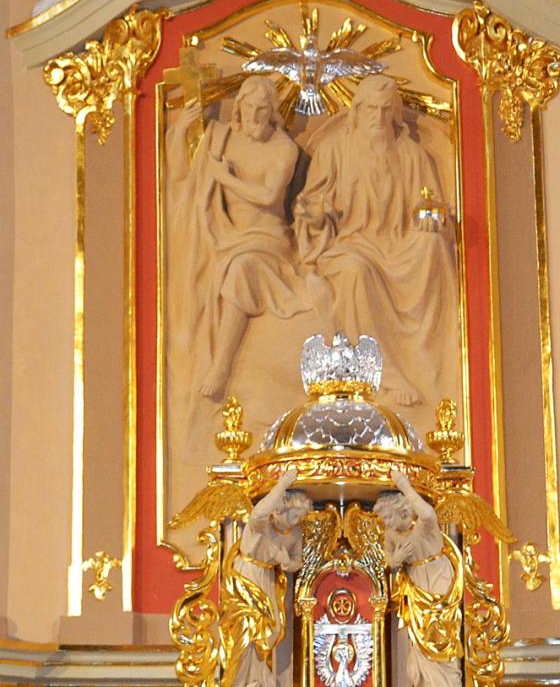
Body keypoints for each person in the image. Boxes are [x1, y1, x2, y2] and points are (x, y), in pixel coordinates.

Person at [294, 74, 456, 407]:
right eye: (371, 109)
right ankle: (384, 375)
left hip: (398, 245)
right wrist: (317, 213)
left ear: (394, 113)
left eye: (385, 110)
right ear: (357, 110)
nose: (378, 118)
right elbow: (310, 205)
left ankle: (431, 359)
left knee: (431, 245)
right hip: (349, 245)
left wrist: (430, 220)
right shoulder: (332, 150)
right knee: (355, 271)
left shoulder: (412, 156)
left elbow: (431, 205)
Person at [166, 75, 307, 404]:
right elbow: (181, 177)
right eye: (249, 108)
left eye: (263, 109)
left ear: (273, 111)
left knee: (242, 267)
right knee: (197, 271)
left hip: (268, 240)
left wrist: (226, 179)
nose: (255, 116)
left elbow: (269, 196)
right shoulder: (220, 137)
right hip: (221, 233)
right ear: (239, 107)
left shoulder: (283, 149)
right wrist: (180, 131)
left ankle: (220, 368)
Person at [221, 468, 311, 687]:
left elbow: (297, 562)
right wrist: (281, 486)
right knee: (249, 627)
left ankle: (260, 677)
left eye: (300, 517)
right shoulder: (262, 525)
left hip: (268, 577)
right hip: (248, 574)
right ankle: (244, 681)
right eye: (294, 515)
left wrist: (286, 562)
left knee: (273, 629)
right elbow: (258, 513)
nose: (297, 521)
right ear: (280, 510)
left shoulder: (295, 532)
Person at [374, 470, 462, 687]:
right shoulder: (390, 534)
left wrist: (405, 486)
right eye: (383, 519)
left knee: (439, 633)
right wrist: (397, 558)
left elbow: (429, 514)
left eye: (388, 517)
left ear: (402, 511)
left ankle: (445, 681)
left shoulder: (424, 526)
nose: (386, 522)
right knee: (419, 639)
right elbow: (388, 559)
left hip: (437, 576)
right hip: (415, 583)